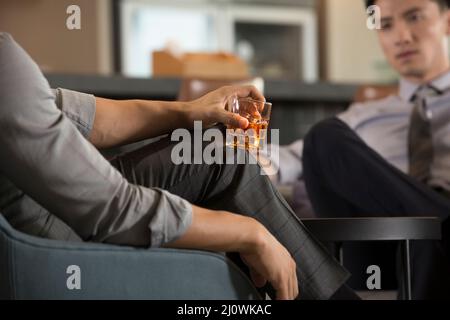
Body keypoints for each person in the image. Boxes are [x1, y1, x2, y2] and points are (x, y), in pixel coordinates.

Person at [0, 32, 361, 300]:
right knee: (225, 168)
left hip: (41, 207)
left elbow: (80, 118)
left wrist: (189, 111)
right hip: (45, 234)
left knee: (214, 153)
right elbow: (112, 210)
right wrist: (250, 233)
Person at [271, 0, 450, 299]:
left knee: (425, 239)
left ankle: (434, 230)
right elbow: (290, 158)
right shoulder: (361, 116)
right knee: (323, 137)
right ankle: (438, 228)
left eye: (414, 17)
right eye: (386, 25)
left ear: (447, 20)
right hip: (377, 251)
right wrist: (245, 161)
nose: (401, 36)